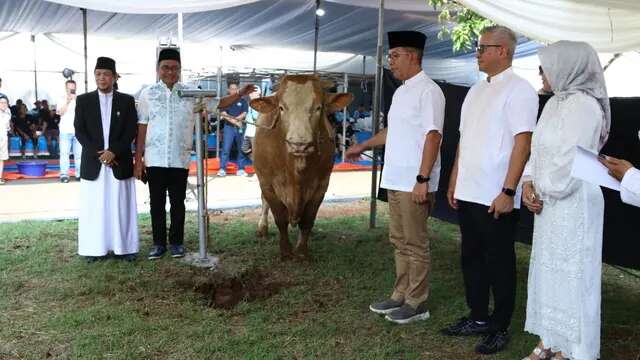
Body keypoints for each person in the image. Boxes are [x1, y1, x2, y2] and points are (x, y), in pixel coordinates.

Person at [443, 25, 538, 354]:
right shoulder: (474, 90)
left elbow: (523, 143)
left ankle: (500, 326)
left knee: (499, 262)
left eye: (483, 47)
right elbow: (463, 141)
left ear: (504, 52)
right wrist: (455, 178)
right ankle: (478, 316)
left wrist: (508, 191)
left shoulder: (520, 90)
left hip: (496, 194)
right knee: (471, 257)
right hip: (469, 190)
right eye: (478, 47)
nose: (477, 52)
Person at [346, 30, 445, 324]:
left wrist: (423, 178)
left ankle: (418, 303)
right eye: (391, 56)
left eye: (395, 56)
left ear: (413, 56)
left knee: (415, 243)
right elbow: (393, 132)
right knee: (399, 240)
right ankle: (400, 294)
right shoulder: (402, 91)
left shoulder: (429, 91)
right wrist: (364, 144)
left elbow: (433, 135)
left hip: (415, 180)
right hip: (395, 178)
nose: (391, 62)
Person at [521, 41, 610, 360]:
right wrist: (528, 182)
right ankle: (551, 339)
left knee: (574, 276)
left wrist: (543, 187)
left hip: (574, 202)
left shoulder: (586, 106)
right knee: (550, 273)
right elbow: (538, 149)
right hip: (549, 202)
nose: (541, 72)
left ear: (568, 66)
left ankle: (575, 350)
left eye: (546, 66)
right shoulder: (554, 103)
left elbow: (570, 160)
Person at [135, 48, 255, 260]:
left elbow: (218, 103)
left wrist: (239, 94)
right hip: (155, 158)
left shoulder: (191, 93)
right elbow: (142, 125)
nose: (170, 72)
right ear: (158, 70)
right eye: (166, 68)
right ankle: (158, 243)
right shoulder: (147, 94)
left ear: (180, 70)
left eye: (174, 68)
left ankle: (176, 243)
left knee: (178, 202)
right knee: (156, 203)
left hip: (179, 158)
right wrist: (139, 159)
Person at [74, 56, 139, 263]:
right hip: (94, 162)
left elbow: (131, 130)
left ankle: (125, 248)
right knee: (94, 206)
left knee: (121, 205)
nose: (102, 78)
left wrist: (114, 151)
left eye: (106, 74)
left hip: (119, 162)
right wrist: (100, 153)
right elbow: (80, 131)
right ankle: (94, 249)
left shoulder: (127, 101)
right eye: (98, 74)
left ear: (114, 77)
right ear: (94, 76)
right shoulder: (83, 100)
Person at [218, 82, 249, 177]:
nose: (233, 90)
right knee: (226, 148)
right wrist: (236, 122)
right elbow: (224, 114)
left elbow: (244, 112)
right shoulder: (225, 101)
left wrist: (239, 119)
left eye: (235, 89)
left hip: (240, 127)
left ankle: (241, 169)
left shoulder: (243, 101)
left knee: (241, 149)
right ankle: (222, 168)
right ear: (228, 90)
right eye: (232, 89)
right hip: (229, 127)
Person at [58, 80, 81, 182]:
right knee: (64, 154)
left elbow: (85, 113)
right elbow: (60, 113)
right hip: (65, 130)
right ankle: (64, 175)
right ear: (65, 88)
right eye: (70, 88)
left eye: (73, 88)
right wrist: (67, 102)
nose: (72, 90)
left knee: (79, 155)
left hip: (78, 130)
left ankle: (79, 174)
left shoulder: (80, 98)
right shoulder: (61, 98)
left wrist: (77, 101)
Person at [241, 86, 261, 169]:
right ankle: (258, 167)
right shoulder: (249, 103)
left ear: (258, 94)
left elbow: (258, 118)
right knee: (244, 149)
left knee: (256, 153)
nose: (251, 94)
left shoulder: (260, 104)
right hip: (248, 132)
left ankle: (258, 172)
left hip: (255, 133)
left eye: (253, 93)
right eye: (250, 93)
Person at [0, 95, 10, 184]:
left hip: (3, 138)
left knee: (2, 158)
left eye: (5, 103)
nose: (3, 104)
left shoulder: (7, 113)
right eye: (1, 103)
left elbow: (7, 127)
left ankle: (0, 178)